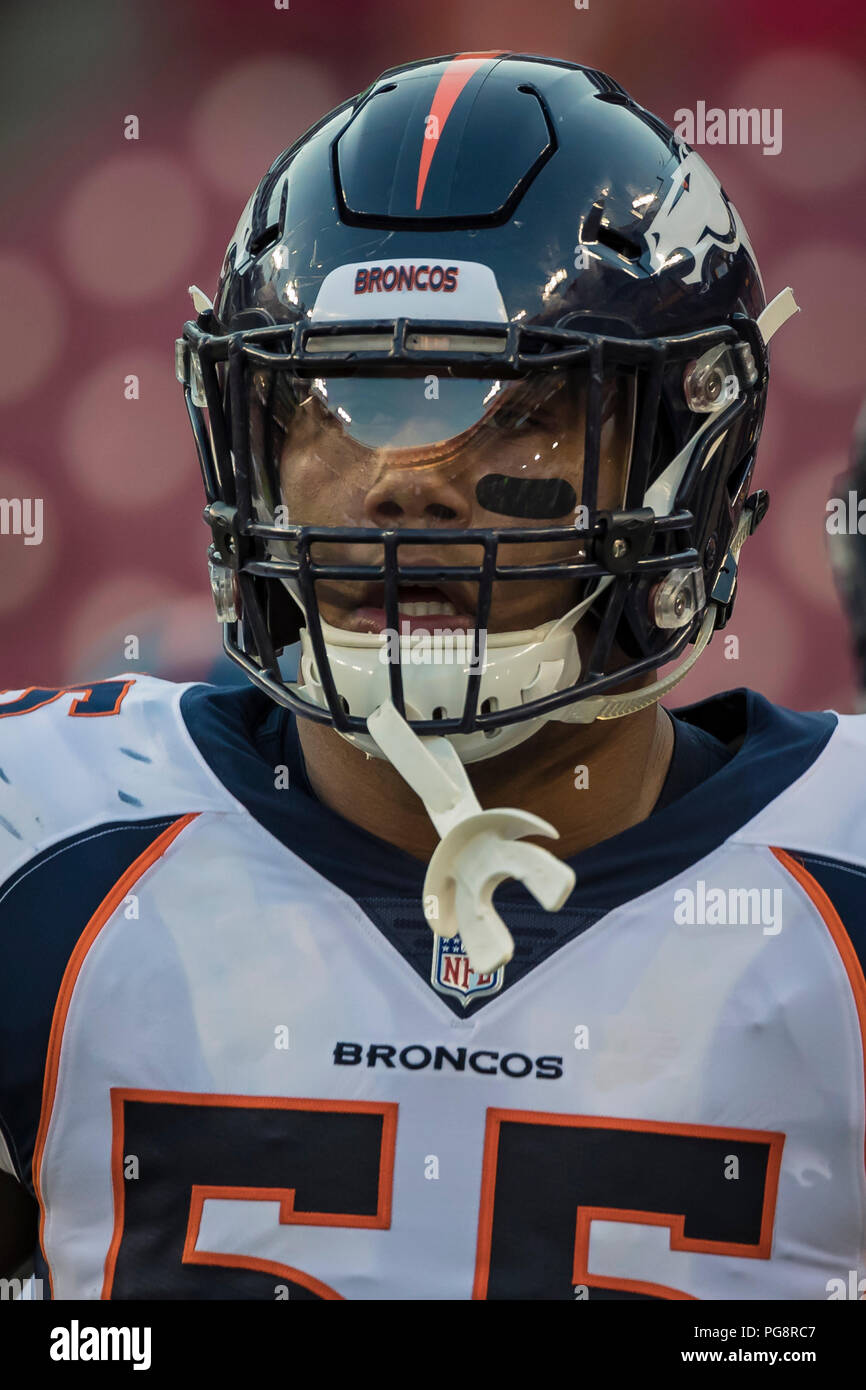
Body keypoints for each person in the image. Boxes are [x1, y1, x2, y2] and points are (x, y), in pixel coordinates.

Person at [2, 50, 863, 1301]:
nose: (401, 477)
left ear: (686, 447)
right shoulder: (46, 841)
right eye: (339, 397)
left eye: (515, 405)